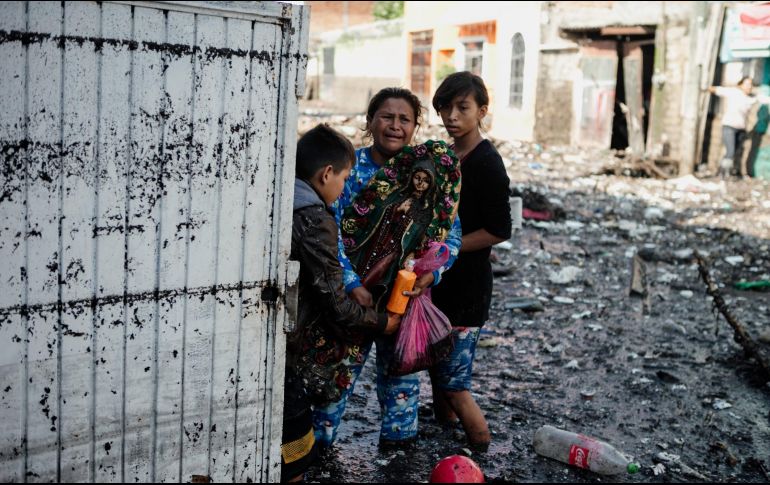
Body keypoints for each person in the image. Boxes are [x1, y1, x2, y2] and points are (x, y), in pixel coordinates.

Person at [313, 87, 463, 449]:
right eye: (386, 117)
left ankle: (398, 453)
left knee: (401, 384)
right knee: (332, 383)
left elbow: (451, 238)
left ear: (414, 126)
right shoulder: (351, 170)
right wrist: (351, 284)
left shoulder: (433, 177)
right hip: (354, 302)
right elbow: (330, 233)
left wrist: (431, 275)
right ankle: (315, 451)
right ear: (370, 122)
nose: (395, 125)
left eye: (404, 119)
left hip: (404, 299)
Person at [284, 124, 401, 482]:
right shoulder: (315, 217)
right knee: (293, 448)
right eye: (344, 177)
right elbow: (335, 304)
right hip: (281, 341)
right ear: (327, 173)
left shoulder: (281, 195)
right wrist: (382, 323)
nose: (343, 186)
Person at [429, 71, 512, 450]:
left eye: (462, 107)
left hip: (468, 286)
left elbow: (500, 228)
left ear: (481, 111)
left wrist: (449, 249)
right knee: (436, 369)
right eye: (445, 106)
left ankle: (482, 448)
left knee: (456, 383)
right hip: (437, 283)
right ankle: (442, 440)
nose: (452, 115)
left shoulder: (486, 161)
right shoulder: (445, 156)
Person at [707, 76, 770, 178]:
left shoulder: (751, 98)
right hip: (729, 126)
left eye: (750, 84)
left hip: (741, 129)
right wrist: (705, 88)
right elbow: (717, 90)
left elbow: (765, 99)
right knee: (730, 151)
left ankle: (723, 172)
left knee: (736, 152)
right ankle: (724, 174)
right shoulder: (734, 92)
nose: (749, 87)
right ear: (740, 85)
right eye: (747, 84)